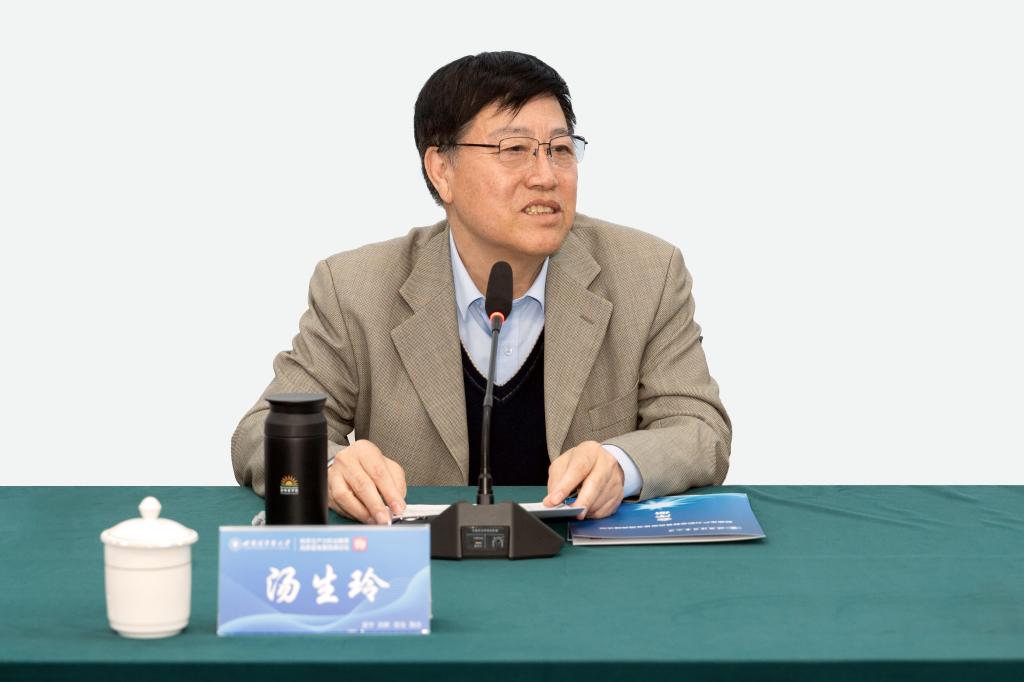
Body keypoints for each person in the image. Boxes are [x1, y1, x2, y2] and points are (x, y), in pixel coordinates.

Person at [231, 51, 731, 525]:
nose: (546, 176)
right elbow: (258, 435)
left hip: (579, 565)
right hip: (429, 567)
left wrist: (621, 464)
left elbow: (698, 427)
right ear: (441, 171)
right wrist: (328, 468)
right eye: (514, 150)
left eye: (560, 150)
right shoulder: (357, 288)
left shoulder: (646, 273)